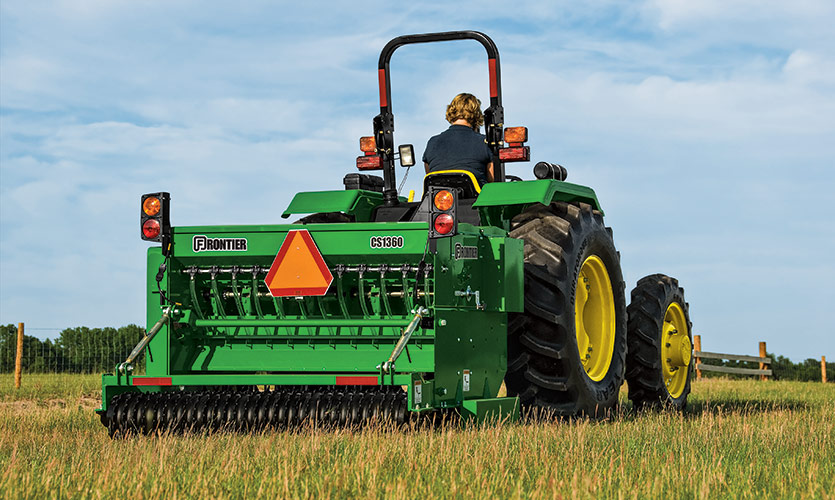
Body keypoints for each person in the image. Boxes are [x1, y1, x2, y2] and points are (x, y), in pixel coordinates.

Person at [423, 93, 494, 185]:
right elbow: (492, 179)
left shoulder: (432, 142)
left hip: (439, 197)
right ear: (476, 114)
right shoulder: (484, 142)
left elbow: (430, 175)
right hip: (476, 198)